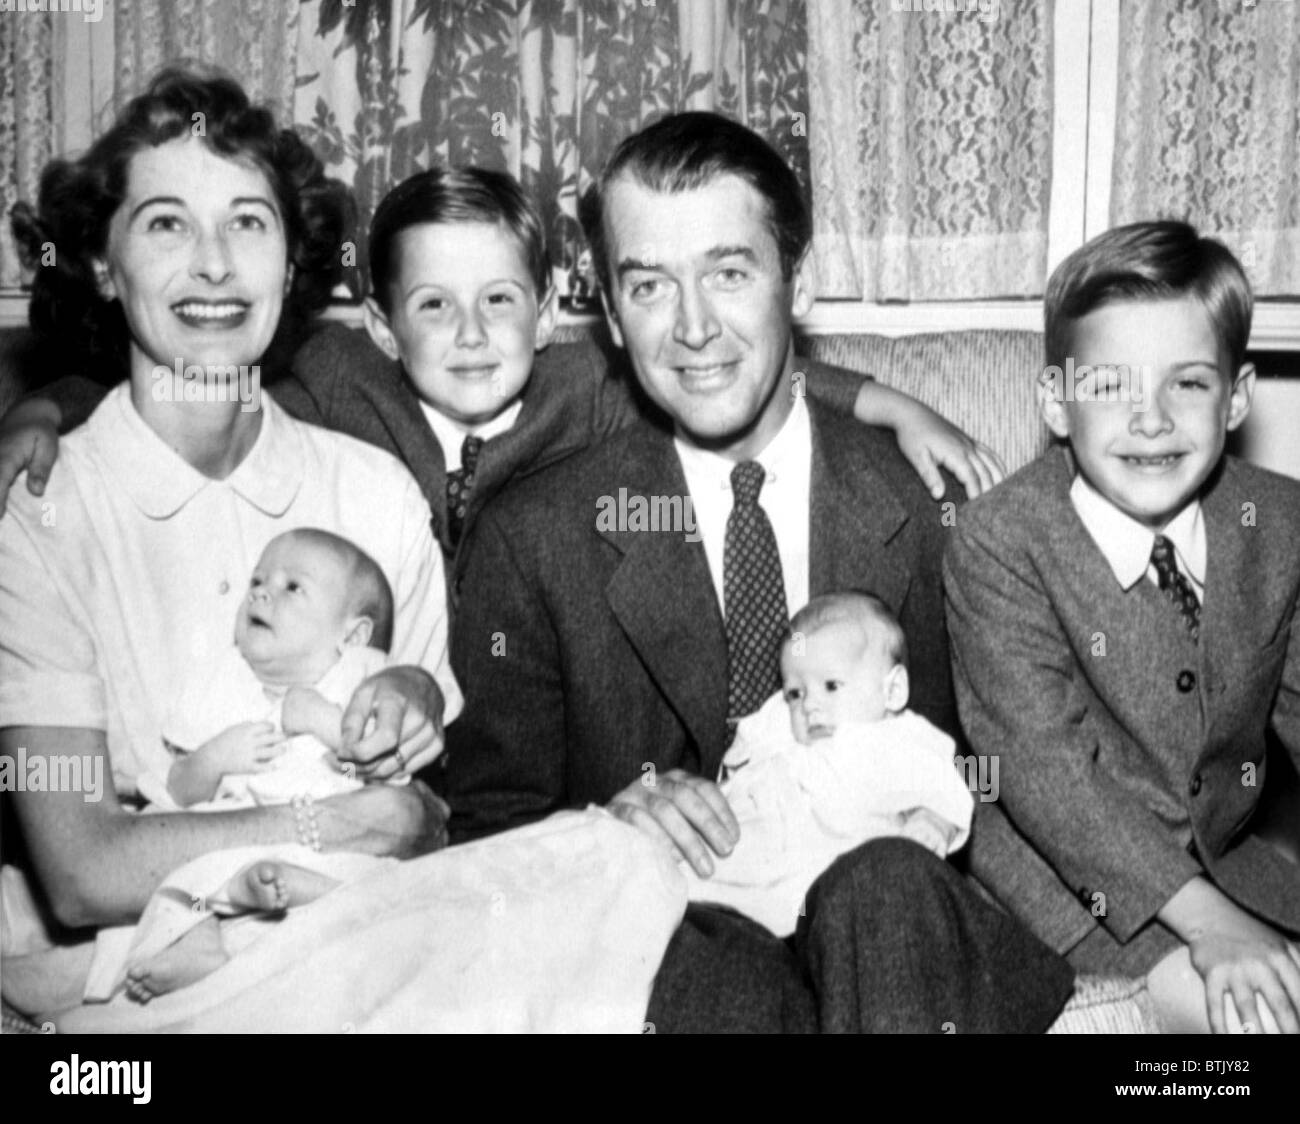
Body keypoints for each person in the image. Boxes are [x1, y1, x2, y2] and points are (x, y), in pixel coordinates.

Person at [443, 110, 1075, 1032]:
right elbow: (487, 830)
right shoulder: (534, 537)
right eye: (651, 286)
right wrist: (605, 827)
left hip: (895, 941)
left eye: (730, 274)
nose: (695, 328)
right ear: (612, 316)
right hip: (688, 945)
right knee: (689, 954)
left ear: (799, 282)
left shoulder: (934, 508)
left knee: (887, 885)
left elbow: (1011, 777)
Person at [0, 67, 458, 1017]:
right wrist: (327, 822)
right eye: (167, 223)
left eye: (248, 223)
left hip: (360, 974)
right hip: (129, 1006)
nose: (214, 264)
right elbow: (83, 870)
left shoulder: (372, 492)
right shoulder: (37, 514)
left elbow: (419, 819)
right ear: (98, 263)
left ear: (292, 264)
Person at [0, 166, 1010, 583]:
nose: (474, 333)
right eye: (434, 305)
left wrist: (888, 399)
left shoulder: (589, 385)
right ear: (386, 326)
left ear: (555, 306)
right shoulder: (335, 378)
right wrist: (46, 408)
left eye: (499, 300)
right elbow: (178, 377)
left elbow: (726, 371)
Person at [944, 221, 1300, 1034]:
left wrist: (1231, 911)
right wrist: (1211, 925)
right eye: (1108, 386)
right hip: (1063, 885)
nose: (1150, 420)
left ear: (1238, 396)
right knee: (1253, 1029)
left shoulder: (1278, 524)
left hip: (1230, 872)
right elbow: (1046, 775)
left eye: (1188, 384)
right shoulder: (1000, 541)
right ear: (1055, 404)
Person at [683, 591, 972, 937]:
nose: (809, 705)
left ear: (892, 690)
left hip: (824, 882)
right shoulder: (784, 727)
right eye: (795, 692)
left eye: (831, 686)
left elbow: (946, 786)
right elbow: (742, 751)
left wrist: (933, 822)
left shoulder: (898, 740)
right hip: (751, 852)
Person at [151, 528, 400, 809]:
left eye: (293, 587)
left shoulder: (358, 685)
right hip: (225, 842)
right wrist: (214, 759)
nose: (260, 592)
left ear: (352, 637)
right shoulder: (220, 683)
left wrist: (330, 729)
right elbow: (176, 791)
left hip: (332, 843)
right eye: (256, 581)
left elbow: (377, 783)